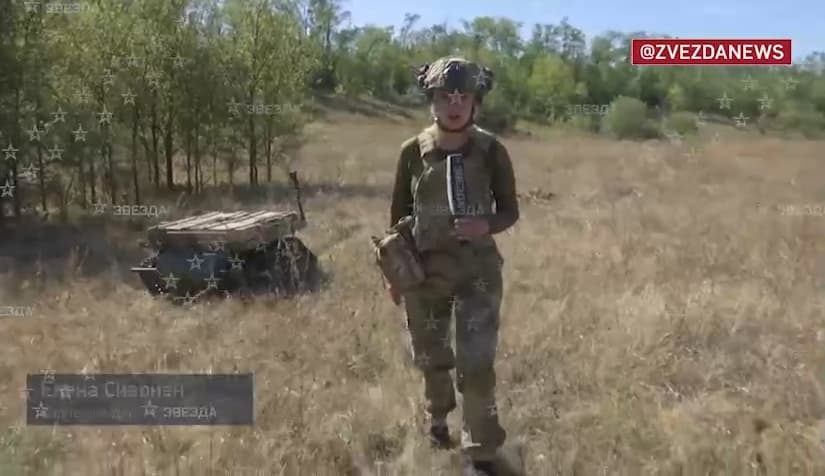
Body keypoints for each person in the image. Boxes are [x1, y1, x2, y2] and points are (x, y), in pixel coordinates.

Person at [387, 57, 520, 476]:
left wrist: (486, 225)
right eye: (446, 96)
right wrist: (395, 275)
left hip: (478, 272)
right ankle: (438, 419)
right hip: (425, 273)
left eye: (464, 96)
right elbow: (397, 218)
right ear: (432, 101)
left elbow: (510, 210)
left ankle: (481, 451)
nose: (455, 104)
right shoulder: (412, 152)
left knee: (477, 364)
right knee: (432, 355)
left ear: (476, 102)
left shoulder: (492, 151)